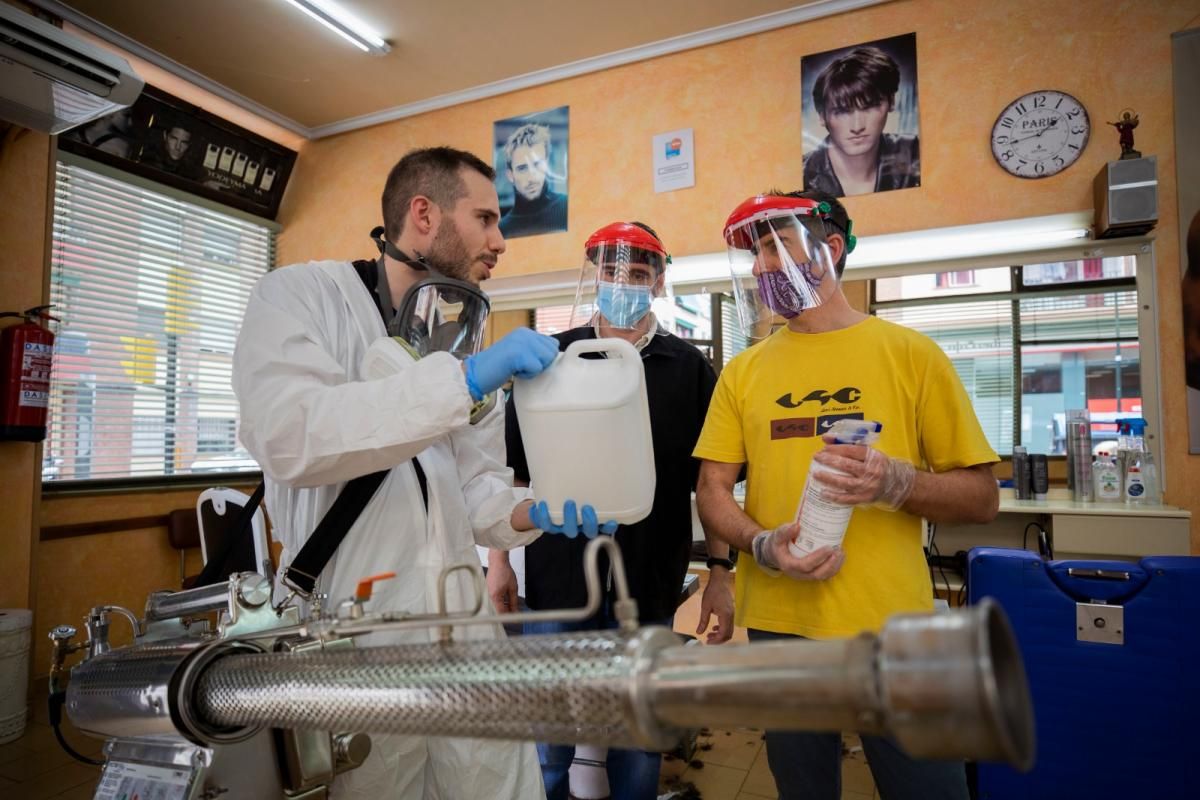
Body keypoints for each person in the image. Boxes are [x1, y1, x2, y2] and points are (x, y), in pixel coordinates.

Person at [232, 146, 605, 799]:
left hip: (461, 626)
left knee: (496, 785)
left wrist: (531, 510)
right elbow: (288, 434)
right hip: (351, 625)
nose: (501, 243)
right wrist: (459, 383)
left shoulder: (464, 339)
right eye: (486, 219)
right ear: (423, 215)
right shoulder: (302, 297)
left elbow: (477, 492)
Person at [693, 190, 999, 800]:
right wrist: (760, 544)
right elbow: (712, 490)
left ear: (829, 250)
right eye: (754, 255)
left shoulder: (911, 355)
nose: (758, 269)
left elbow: (983, 498)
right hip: (781, 625)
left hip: (892, 625)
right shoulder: (744, 371)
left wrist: (898, 482)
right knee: (804, 789)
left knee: (929, 789)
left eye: (773, 249)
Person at [489, 221, 733, 800]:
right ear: (595, 275)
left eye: (639, 274)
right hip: (556, 574)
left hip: (646, 577)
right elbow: (513, 475)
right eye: (611, 271)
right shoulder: (553, 359)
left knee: (635, 736)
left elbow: (711, 485)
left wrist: (721, 573)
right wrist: (500, 562)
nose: (623, 283)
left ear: (659, 281)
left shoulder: (688, 369)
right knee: (549, 739)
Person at [802, 46, 919, 197]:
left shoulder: (915, 152)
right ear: (822, 116)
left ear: (891, 102)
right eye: (842, 111)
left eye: (869, 107)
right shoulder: (801, 174)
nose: (857, 127)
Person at [498, 122, 568, 237]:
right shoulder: (501, 230)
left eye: (537, 165)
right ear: (510, 175)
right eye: (522, 168)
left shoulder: (567, 207)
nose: (531, 177)